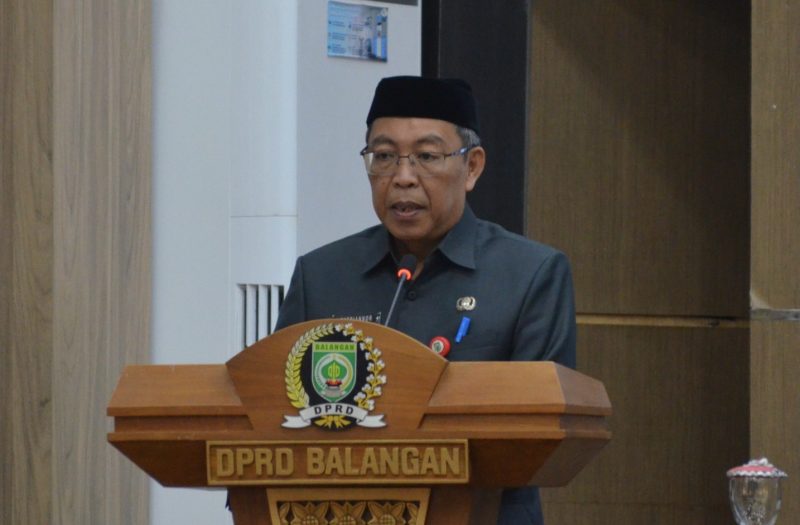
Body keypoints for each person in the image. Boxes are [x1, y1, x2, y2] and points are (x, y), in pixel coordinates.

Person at [275, 76, 576, 525]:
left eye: (427, 157)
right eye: (383, 157)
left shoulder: (530, 274)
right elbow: (274, 414)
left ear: (472, 167)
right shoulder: (321, 275)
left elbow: (540, 433)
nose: (403, 177)